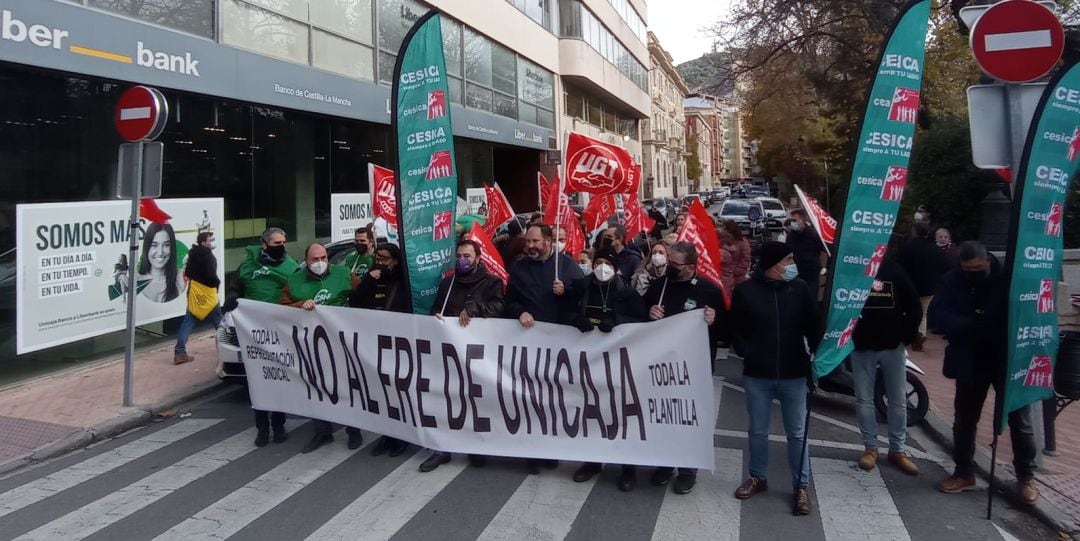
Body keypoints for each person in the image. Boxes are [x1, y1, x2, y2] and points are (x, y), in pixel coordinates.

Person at [929, 241, 1039, 504]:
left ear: (988, 260)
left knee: (1020, 422)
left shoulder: (1007, 279)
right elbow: (938, 317)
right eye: (967, 269)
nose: (972, 273)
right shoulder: (951, 281)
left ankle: (1026, 476)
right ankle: (964, 471)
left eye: (977, 268)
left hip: (1005, 360)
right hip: (970, 359)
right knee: (965, 420)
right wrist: (972, 325)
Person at [727, 242, 819, 516]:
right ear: (772, 264)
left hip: (793, 372)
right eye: (788, 259)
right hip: (758, 373)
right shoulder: (746, 291)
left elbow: (813, 324)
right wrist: (746, 351)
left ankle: (800, 486)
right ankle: (758, 477)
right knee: (757, 430)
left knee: (797, 432)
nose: (792, 264)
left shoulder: (800, 288)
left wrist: (816, 356)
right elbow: (735, 328)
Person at [642, 242, 724, 495]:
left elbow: (727, 333)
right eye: (667, 260)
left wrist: (714, 321)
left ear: (689, 267)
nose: (667, 266)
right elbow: (636, 318)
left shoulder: (710, 291)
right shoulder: (659, 286)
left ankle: (688, 470)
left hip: (693, 367)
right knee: (664, 416)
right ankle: (665, 464)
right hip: (662, 366)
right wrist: (649, 312)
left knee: (688, 417)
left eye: (674, 264)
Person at [420, 239, 505, 473]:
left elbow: (499, 307)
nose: (462, 260)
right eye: (459, 255)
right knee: (445, 397)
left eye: (467, 256)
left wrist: (475, 309)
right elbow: (436, 309)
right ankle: (442, 448)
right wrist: (437, 316)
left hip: (477, 352)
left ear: (478, 258)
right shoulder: (448, 282)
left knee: (474, 399)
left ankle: (475, 446)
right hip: (449, 350)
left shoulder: (491, 282)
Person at [504, 224, 584, 473]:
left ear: (549, 241)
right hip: (529, 344)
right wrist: (520, 312)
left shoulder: (567, 266)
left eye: (535, 241)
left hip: (559, 346)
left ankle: (551, 448)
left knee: (554, 400)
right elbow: (509, 301)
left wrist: (566, 291)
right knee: (530, 399)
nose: (530, 246)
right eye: (528, 241)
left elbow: (584, 299)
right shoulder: (519, 267)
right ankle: (532, 451)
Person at [568, 248, 648, 490]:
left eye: (607, 263)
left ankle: (627, 469)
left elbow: (642, 321)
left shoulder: (628, 293)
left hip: (618, 363)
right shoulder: (581, 287)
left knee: (621, 414)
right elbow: (563, 311)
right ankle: (592, 462)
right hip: (588, 362)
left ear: (615, 268)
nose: (603, 267)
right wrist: (575, 319)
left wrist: (618, 322)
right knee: (591, 412)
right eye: (599, 262)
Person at [281, 243, 363, 454]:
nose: (320, 263)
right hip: (311, 345)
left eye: (323, 258)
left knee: (346, 387)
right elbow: (281, 309)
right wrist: (300, 306)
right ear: (306, 261)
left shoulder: (344, 274)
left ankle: (354, 430)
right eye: (314, 259)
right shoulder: (294, 280)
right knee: (317, 387)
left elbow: (364, 295)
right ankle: (322, 431)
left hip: (341, 341)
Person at [224, 227, 299, 447]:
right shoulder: (247, 267)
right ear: (264, 244)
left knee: (279, 380)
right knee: (257, 382)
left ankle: (279, 425)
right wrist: (233, 298)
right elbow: (235, 288)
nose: (281, 247)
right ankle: (262, 428)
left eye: (284, 242)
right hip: (254, 335)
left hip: (280, 334)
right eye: (277, 243)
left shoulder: (291, 266)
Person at [850, 257, 922, 475]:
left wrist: (904, 337)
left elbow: (914, 307)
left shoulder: (894, 269)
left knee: (898, 399)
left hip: (892, 347)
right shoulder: (852, 269)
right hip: (862, 347)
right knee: (864, 399)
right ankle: (870, 448)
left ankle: (897, 450)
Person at [349, 243, 412, 457]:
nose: (380, 262)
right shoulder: (372, 278)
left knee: (399, 390)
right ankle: (386, 435)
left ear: (395, 260)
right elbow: (355, 303)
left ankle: (402, 437)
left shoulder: (404, 280)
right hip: (374, 341)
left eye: (385, 258)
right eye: (378, 258)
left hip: (398, 342)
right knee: (381, 390)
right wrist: (367, 280)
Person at [898, 222, 950, 351]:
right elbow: (945, 267)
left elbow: (899, 265)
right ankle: (920, 335)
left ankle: (906, 335)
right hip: (928, 287)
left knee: (905, 311)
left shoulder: (907, 247)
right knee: (924, 313)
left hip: (909, 285)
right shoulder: (936, 249)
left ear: (914, 231)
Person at [173, 232, 221, 365]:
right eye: (211, 239)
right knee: (219, 323)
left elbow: (187, 273)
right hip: (208, 293)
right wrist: (217, 284)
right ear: (203, 242)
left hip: (194, 292)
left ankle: (179, 353)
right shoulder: (209, 257)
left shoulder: (192, 254)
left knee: (188, 322)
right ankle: (228, 348)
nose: (213, 241)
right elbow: (212, 276)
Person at [137, 222, 186, 303]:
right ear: (146, 247)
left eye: (166, 245)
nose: (160, 252)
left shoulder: (182, 278)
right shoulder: (135, 280)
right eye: (154, 245)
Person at [785, 209, 825, 290]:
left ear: (802, 220)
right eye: (791, 220)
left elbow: (826, 250)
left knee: (810, 300)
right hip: (795, 275)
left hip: (810, 276)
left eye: (794, 220)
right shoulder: (790, 236)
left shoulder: (814, 235)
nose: (792, 223)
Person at [723, 220, 751, 286]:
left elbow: (746, 258)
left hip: (737, 275)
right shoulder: (724, 240)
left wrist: (737, 271)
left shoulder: (743, 242)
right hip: (725, 274)